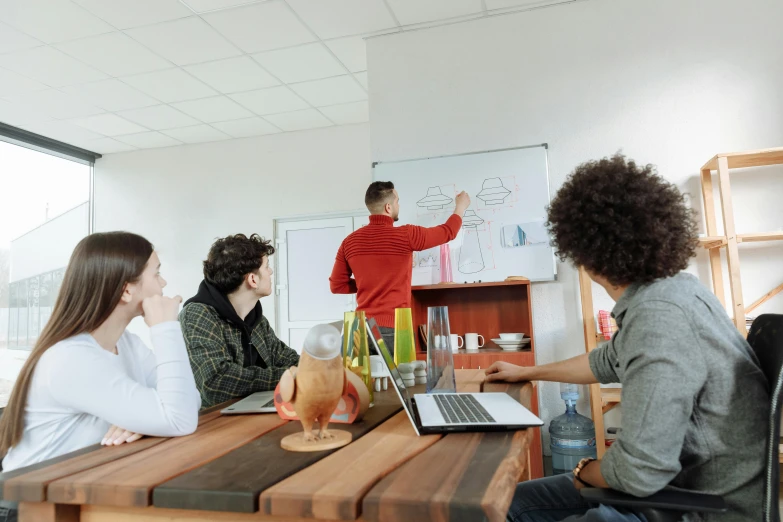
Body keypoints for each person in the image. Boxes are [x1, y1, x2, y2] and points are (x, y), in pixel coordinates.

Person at [486, 154, 767, 522]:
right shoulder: (673, 291)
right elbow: (604, 361)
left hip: (700, 508)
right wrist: (527, 372)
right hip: (679, 488)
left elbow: (639, 471)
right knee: (504, 502)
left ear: (587, 257)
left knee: (497, 508)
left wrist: (581, 469)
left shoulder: (659, 317)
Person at [0, 233, 201, 475]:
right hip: (28, 503)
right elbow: (180, 417)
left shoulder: (129, 344)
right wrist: (165, 328)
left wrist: (145, 421)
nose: (164, 283)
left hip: (77, 485)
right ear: (126, 291)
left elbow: (187, 401)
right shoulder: (70, 359)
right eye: (157, 273)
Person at [330, 181, 470, 352]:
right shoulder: (407, 235)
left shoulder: (349, 242)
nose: (399, 205)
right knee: (399, 379)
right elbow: (448, 231)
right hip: (393, 329)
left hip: (358, 330)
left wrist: (366, 283)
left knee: (358, 379)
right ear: (388, 207)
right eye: (397, 201)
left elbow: (337, 285)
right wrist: (460, 207)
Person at [180, 234, 299, 409]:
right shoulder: (198, 314)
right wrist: (290, 376)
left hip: (245, 410)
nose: (271, 272)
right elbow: (216, 383)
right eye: (267, 267)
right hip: (210, 422)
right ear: (252, 279)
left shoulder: (255, 317)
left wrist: (307, 370)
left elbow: (286, 358)